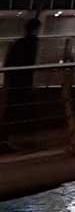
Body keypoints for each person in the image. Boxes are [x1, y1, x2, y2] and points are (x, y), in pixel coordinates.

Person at [1, 17, 41, 147]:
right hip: (23, 81)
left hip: (16, 80)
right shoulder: (31, 43)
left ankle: (5, 138)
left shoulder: (19, 43)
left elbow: (10, 62)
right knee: (16, 109)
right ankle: (6, 138)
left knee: (11, 109)